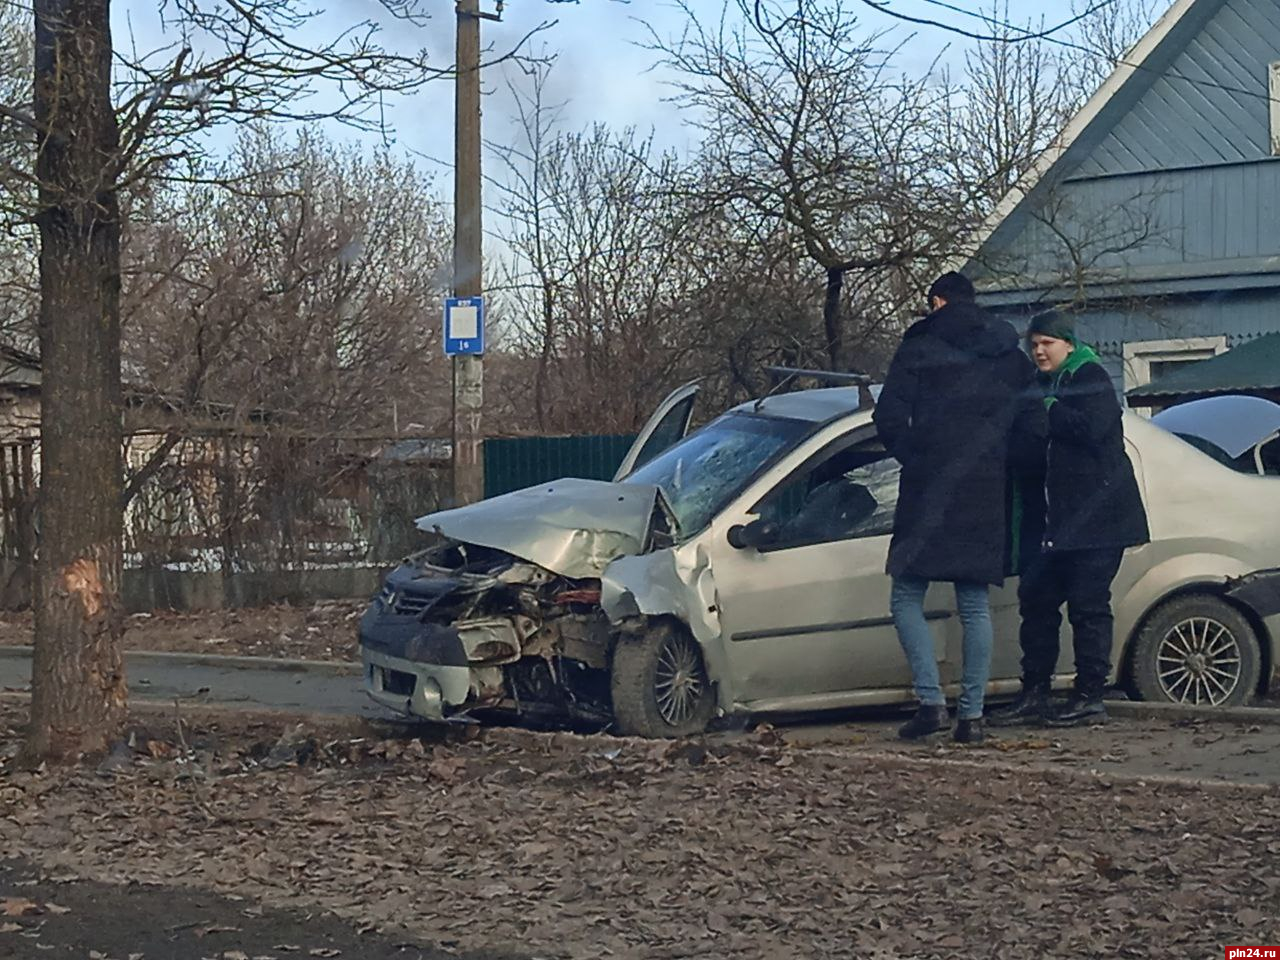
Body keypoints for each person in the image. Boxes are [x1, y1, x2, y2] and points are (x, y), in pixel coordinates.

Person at [874, 272, 1044, 744]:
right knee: (974, 605)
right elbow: (1033, 423)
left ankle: (930, 703)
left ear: (937, 301)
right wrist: (999, 464)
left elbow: (887, 416)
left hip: (928, 485)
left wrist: (918, 455)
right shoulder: (1009, 356)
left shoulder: (920, 346)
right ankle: (971, 718)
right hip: (985, 487)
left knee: (906, 594)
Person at [989, 310, 1149, 728]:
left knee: (1088, 607)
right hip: (1054, 525)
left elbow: (1092, 430)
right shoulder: (1041, 384)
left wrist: (1047, 409)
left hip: (1098, 522)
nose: (1039, 351)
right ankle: (1035, 693)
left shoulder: (1090, 377)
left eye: (1048, 343)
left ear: (1069, 345)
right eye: (1035, 344)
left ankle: (1090, 695)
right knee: (1037, 602)